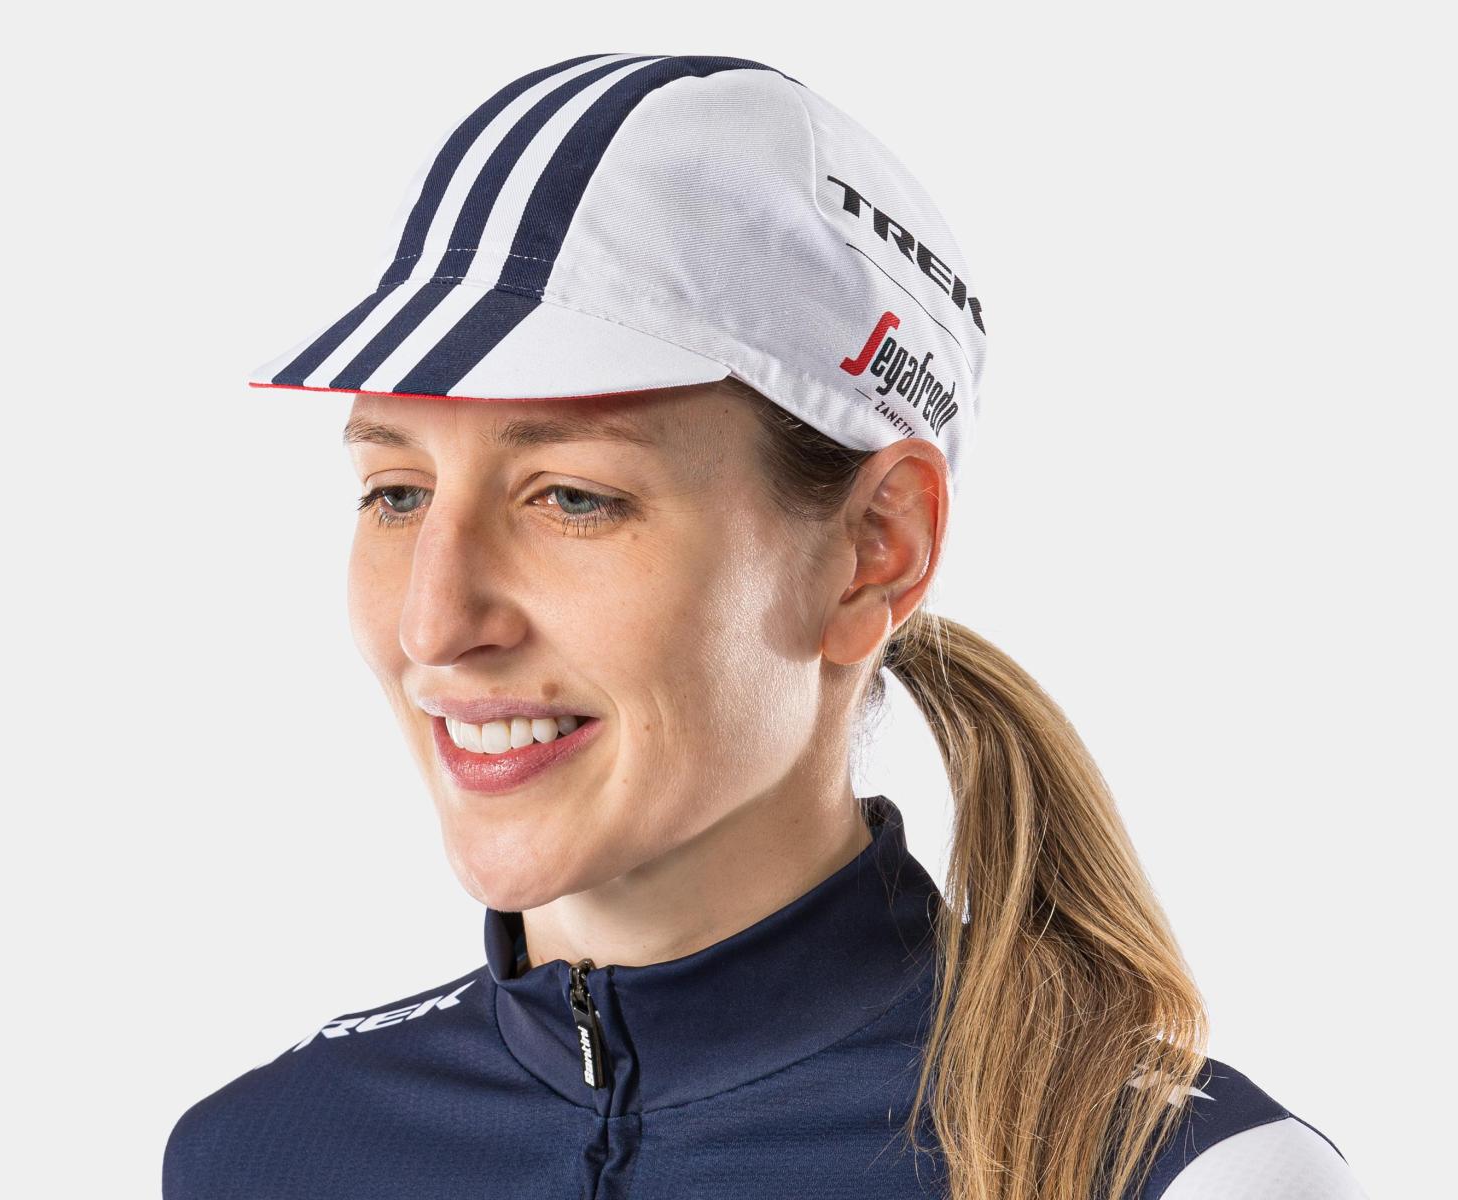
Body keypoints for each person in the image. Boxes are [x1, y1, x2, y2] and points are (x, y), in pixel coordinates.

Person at [163, 52, 1368, 1200]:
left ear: (873, 550)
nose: (435, 623)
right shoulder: (262, 1157)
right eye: (396, 493)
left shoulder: (1176, 1175)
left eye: (571, 497)